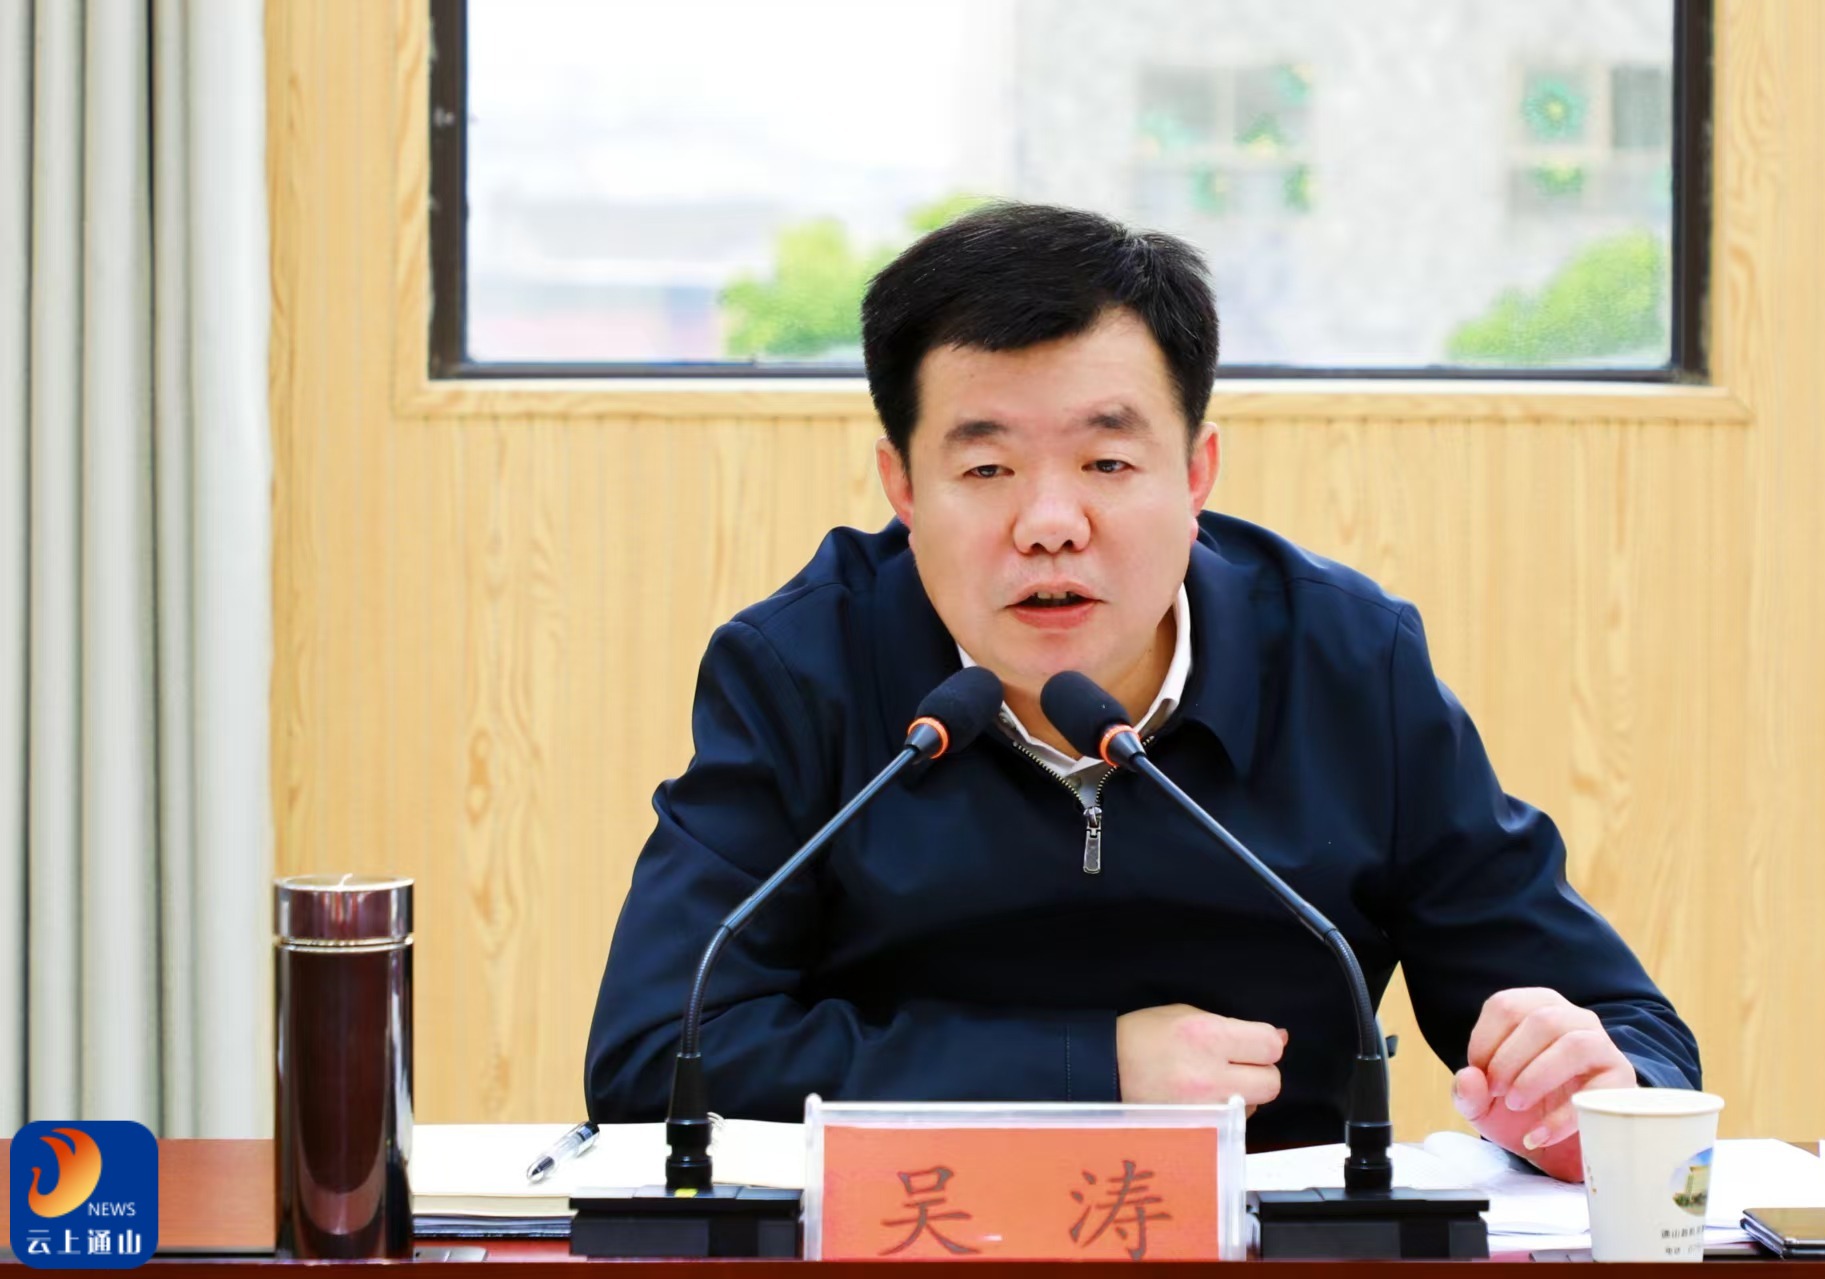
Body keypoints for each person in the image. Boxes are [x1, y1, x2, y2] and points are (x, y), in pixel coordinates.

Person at [585, 202, 1699, 1181]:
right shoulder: (800, 670)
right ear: (903, 486)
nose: (1049, 523)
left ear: (1197, 472)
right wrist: (1089, 1069)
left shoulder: (1346, 660)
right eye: (986, 468)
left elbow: (1629, 1029)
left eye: (1107, 463)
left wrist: (1587, 1090)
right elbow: (652, 1058)